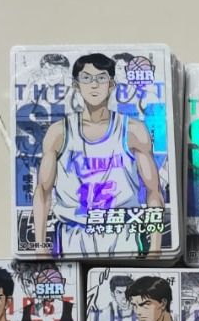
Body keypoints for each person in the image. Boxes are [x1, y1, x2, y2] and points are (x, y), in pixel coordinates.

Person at [33, 52, 164, 255]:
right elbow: (43, 191)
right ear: (76, 85)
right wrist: (40, 248)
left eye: (101, 78)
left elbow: (153, 191)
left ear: (111, 84)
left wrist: (155, 248)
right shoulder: (58, 132)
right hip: (72, 232)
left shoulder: (133, 131)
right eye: (86, 78)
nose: (94, 85)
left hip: (122, 232)